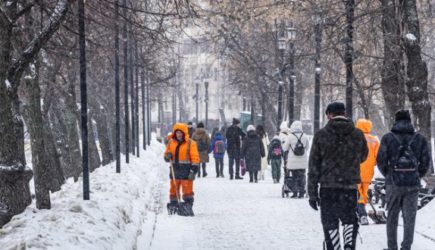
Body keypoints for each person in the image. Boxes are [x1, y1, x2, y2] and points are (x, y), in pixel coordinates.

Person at [308, 102, 368, 250]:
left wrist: (312, 194)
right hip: (349, 188)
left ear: (329, 115)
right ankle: (348, 244)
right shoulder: (357, 134)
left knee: (330, 223)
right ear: (344, 113)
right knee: (349, 220)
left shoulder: (321, 135)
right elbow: (363, 156)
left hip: (328, 188)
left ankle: (333, 246)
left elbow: (314, 166)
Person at [377, 110, 431, 250]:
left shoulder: (388, 138)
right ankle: (406, 247)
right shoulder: (420, 138)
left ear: (396, 120)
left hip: (393, 183)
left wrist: (389, 174)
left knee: (392, 217)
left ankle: (392, 247)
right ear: (410, 120)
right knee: (409, 218)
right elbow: (426, 162)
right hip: (412, 184)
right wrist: (417, 175)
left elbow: (380, 160)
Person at [164, 123, 200, 211]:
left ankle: (187, 206)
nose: (178, 135)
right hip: (174, 170)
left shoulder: (191, 143)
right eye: (177, 133)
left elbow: (195, 158)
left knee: (187, 189)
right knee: (173, 189)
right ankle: (174, 204)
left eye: (180, 133)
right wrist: (167, 156)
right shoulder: (171, 142)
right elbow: (166, 155)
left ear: (184, 133)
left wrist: (193, 171)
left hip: (186, 171)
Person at [355, 119, 380, 225]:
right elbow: (377, 157)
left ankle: (362, 214)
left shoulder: (354, 139)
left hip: (356, 170)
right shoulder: (374, 140)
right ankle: (361, 212)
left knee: (358, 194)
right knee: (363, 193)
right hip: (368, 172)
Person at [283, 120, 310, 198]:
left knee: (294, 176)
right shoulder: (304, 136)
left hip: (293, 161)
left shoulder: (290, 136)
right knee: (302, 176)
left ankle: (295, 192)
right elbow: (307, 147)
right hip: (303, 161)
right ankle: (302, 192)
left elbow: (285, 148)